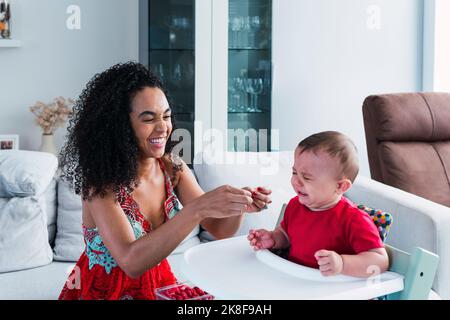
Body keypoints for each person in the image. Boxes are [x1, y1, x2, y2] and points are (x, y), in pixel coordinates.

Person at [58, 62, 271, 299]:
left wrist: (237, 204)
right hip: (106, 292)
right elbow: (131, 261)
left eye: (166, 116)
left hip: (158, 284)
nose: (163, 128)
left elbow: (221, 230)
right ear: (120, 126)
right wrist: (196, 210)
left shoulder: (172, 167)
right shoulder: (100, 184)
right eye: (148, 119)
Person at [248, 131, 388, 278]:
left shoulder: (354, 220)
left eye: (307, 177)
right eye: (294, 172)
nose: (296, 181)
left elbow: (380, 261)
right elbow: (286, 235)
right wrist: (273, 238)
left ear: (340, 187)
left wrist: (342, 264)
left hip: (331, 291)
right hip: (293, 281)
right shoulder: (295, 205)